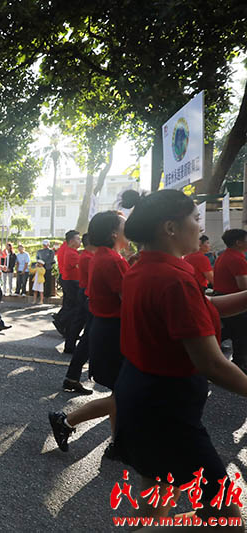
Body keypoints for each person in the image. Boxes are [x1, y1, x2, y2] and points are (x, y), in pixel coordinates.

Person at [114, 188, 247, 526]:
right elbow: (213, 364)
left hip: (141, 396)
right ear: (170, 228)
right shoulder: (174, 279)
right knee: (226, 514)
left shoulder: (144, 268)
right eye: (195, 219)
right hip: (167, 411)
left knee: (155, 498)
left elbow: (206, 307)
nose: (200, 229)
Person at [49, 211, 129, 457]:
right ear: (114, 232)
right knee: (125, 392)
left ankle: (117, 443)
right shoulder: (112, 260)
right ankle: (67, 421)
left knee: (121, 392)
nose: (129, 228)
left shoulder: (103, 256)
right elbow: (128, 301)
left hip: (107, 329)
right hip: (113, 331)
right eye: (124, 225)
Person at [61, 234, 95, 395]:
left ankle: (69, 344)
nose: (79, 241)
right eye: (77, 239)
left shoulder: (84, 255)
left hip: (82, 289)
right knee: (77, 318)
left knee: (79, 321)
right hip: (81, 289)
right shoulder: (86, 256)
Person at [213, 228, 247, 373]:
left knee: (228, 331)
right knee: (241, 335)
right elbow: (243, 285)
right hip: (233, 302)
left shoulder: (224, 256)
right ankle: (240, 366)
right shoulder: (237, 258)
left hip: (221, 298)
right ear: (238, 242)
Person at [53, 231, 81, 337]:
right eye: (78, 239)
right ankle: (61, 321)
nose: (80, 241)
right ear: (72, 241)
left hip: (66, 278)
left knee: (69, 304)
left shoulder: (66, 248)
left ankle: (64, 325)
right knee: (72, 306)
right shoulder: (68, 251)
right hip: (69, 280)